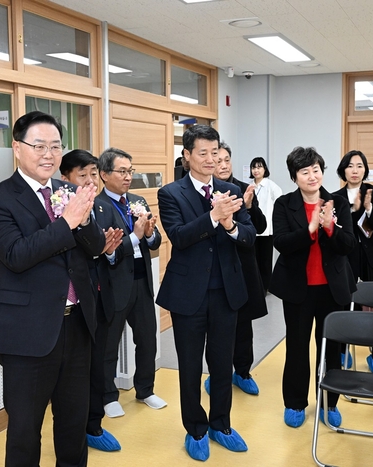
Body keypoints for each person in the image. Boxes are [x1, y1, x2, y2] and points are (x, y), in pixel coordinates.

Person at [0, 111, 105, 467]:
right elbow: (17, 256)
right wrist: (68, 221)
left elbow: (93, 248)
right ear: (17, 148)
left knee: (73, 424)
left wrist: (85, 217)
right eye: (39, 146)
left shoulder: (69, 191)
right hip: (27, 333)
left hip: (77, 326)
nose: (49, 154)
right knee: (24, 431)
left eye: (56, 146)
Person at [156, 124, 256, 461]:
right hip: (188, 294)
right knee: (188, 365)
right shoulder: (171, 193)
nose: (211, 159)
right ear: (187, 156)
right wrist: (213, 216)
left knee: (221, 362)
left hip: (226, 291)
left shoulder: (231, 189)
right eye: (204, 153)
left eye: (216, 152)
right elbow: (179, 236)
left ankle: (221, 424)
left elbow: (250, 236)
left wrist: (230, 225)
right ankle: (195, 428)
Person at [269, 147, 356, 430]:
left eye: (316, 169)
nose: (312, 176)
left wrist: (330, 228)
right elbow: (281, 242)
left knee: (331, 348)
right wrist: (310, 229)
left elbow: (348, 246)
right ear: (295, 177)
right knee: (296, 347)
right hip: (298, 288)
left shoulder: (338, 202)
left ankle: (330, 403)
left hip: (332, 288)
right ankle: (294, 402)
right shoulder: (284, 204)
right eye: (304, 172)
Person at [60, 149, 124, 452]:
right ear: (65, 179)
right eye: (81, 176)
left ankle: (94, 425)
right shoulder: (61, 211)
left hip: (101, 298)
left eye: (93, 175)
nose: (89, 182)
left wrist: (108, 250)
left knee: (98, 366)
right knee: (74, 376)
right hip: (73, 306)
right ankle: (78, 428)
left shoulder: (101, 207)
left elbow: (113, 249)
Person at [96, 147, 166, 419]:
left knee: (148, 339)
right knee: (109, 343)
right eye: (121, 171)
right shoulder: (98, 206)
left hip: (142, 280)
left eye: (130, 171)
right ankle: (108, 395)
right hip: (114, 284)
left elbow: (156, 240)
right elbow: (107, 249)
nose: (128, 177)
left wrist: (148, 235)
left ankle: (145, 389)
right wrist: (136, 237)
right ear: (104, 174)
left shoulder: (138, 200)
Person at [206, 141, 267, 395]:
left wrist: (250, 206)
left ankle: (242, 372)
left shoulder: (243, 189)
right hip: (214, 270)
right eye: (217, 160)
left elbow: (261, 228)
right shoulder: (204, 192)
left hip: (242, 267)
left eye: (226, 159)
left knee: (243, 325)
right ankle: (216, 375)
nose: (222, 165)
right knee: (216, 327)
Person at [333, 150, 373, 374]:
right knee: (346, 303)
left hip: (372, 256)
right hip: (347, 257)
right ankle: (343, 350)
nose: (355, 170)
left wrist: (367, 208)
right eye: (350, 166)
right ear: (343, 170)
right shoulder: (335, 197)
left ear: (365, 170)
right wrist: (354, 211)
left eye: (359, 166)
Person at [250, 157, 282, 291]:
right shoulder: (249, 186)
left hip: (267, 230)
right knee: (254, 261)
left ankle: (265, 287)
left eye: (259, 167)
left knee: (265, 261)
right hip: (252, 229)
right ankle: (256, 287)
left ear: (264, 169)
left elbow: (280, 204)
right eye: (254, 167)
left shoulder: (271, 186)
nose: (256, 170)